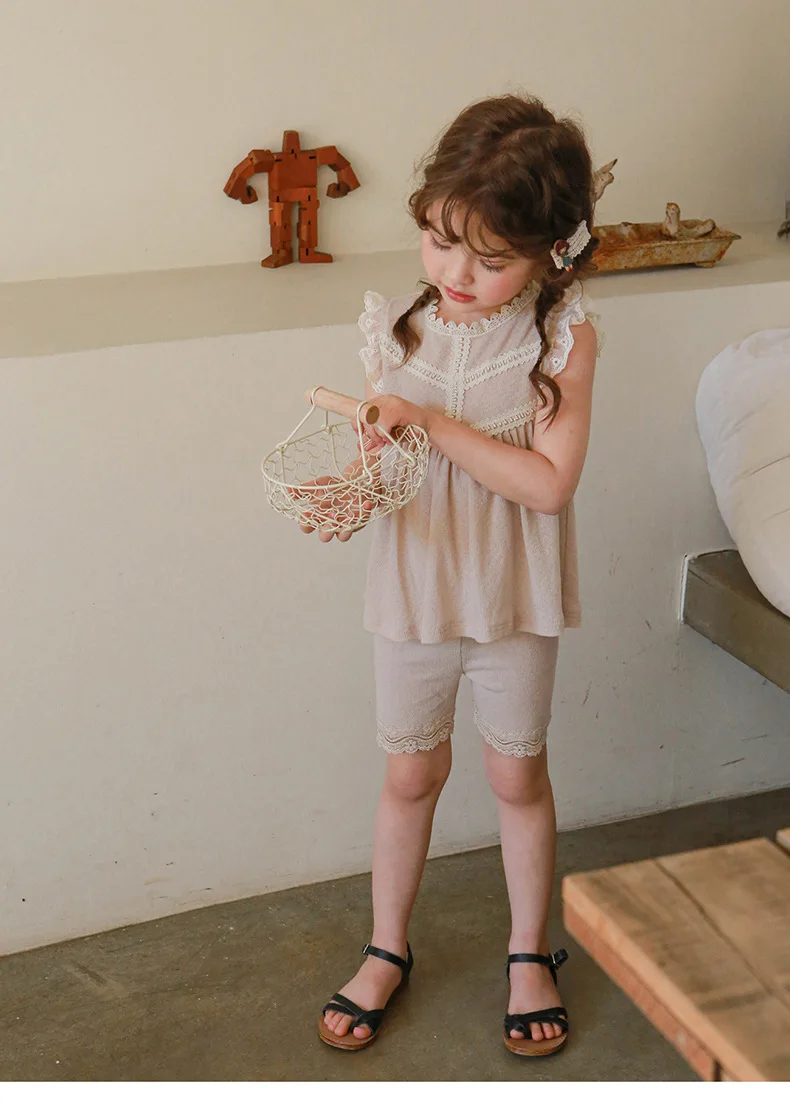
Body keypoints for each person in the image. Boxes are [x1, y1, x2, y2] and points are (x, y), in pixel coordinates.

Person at [304, 92, 604, 1057]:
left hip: (513, 593)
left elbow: (548, 485)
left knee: (517, 775)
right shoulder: (395, 330)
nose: (456, 274)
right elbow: (387, 463)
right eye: (440, 242)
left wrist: (433, 423)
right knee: (409, 771)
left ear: (550, 252)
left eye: (490, 257)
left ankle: (529, 950)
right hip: (416, 585)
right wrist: (352, 490)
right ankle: (386, 945)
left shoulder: (560, 341)